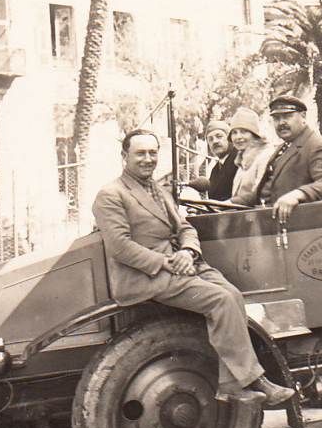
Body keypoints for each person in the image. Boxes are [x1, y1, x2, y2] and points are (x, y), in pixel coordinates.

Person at [92, 130, 295, 407]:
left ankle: (230, 384)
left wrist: (188, 251)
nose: (148, 159)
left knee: (233, 294)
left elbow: (184, 227)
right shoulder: (110, 194)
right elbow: (120, 247)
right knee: (220, 300)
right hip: (148, 275)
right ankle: (253, 380)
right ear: (124, 156)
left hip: (182, 264)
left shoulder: (157, 190)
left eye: (153, 153)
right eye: (140, 153)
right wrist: (167, 262)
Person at [253, 96, 322, 224]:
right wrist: (229, 203)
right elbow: (267, 188)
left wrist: (297, 195)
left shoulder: (316, 146)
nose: (281, 123)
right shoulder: (284, 147)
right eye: (276, 118)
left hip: (300, 226)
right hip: (272, 222)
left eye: (287, 116)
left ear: (303, 117)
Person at [225, 108, 274, 207]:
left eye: (244, 132)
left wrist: (226, 204)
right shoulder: (241, 159)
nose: (238, 137)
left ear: (254, 134)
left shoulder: (265, 155)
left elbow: (257, 193)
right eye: (234, 132)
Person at [192, 119, 238, 201]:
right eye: (210, 139)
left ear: (230, 138)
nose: (215, 141)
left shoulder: (239, 161)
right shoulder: (215, 170)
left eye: (219, 136)